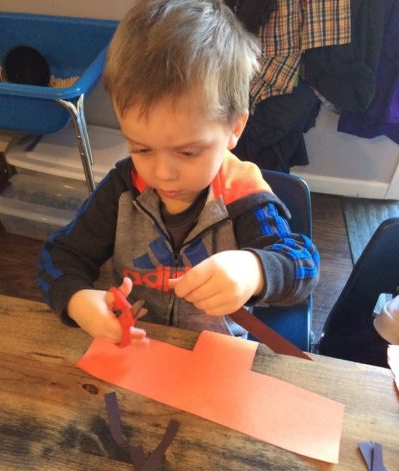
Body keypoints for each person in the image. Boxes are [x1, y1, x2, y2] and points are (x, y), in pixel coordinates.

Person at [36, 0, 319, 345]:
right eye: (141, 148)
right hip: (134, 348)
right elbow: (59, 257)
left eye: (187, 152)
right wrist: (78, 300)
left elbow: (303, 266)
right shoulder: (125, 187)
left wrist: (254, 269)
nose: (162, 173)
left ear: (234, 129)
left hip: (215, 355)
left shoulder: (244, 197)